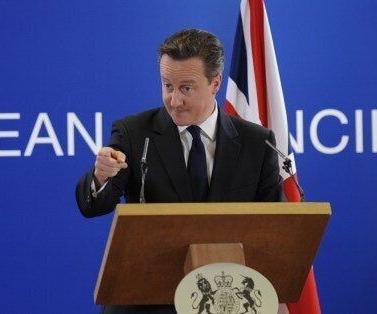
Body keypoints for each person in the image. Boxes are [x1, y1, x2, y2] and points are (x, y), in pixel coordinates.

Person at [75, 29, 284, 313]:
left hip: (227, 297)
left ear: (215, 83)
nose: (174, 100)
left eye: (186, 88)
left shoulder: (258, 143)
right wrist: (101, 175)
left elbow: (275, 226)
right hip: (146, 300)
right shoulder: (134, 133)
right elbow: (95, 206)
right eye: (167, 86)